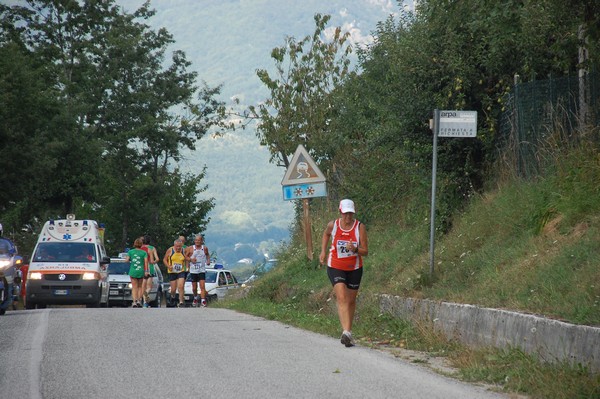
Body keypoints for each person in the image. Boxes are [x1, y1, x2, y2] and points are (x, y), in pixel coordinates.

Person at [319, 199, 368, 347]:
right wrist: (323, 252)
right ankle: (346, 332)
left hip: (354, 267)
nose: (348, 217)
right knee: (341, 297)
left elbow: (365, 251)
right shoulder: (333, 225)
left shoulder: (359, 227)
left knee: (351, 300)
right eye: (345, 213)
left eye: (350, 213)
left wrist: (355, 249)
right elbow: (326, 234)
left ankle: (349, 331)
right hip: (335, 265)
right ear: (340, 212)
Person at [185, 234, 210, 307]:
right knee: (194, 287)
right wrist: (191, 259)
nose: (197, 242)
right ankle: (195, 298)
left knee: (202, 286)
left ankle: (203, 300)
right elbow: (185, 257)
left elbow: (207, 255)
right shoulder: (190, 248)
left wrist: (208, 260)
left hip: (201, 270)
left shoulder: (204, 248)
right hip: (193, 270)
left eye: (199, 240)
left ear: (201, 241)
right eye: (196, 240)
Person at [163, 238, 188, 307]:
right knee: (173, 289)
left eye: (180, 246)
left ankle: (181, 302)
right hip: (172, 271)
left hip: (181, 271)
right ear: (174, 245)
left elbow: (186, 259)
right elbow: (164, 260)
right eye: (177, 246)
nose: (178, 248)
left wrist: (187, 267)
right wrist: (168, 266)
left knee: (181, 286)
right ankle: (173, 297)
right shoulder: (170, 250)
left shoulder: (183, 250)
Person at [125, 237, 149, 308]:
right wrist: (146, 271)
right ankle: (139, 300)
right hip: (141, 271)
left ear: (134, 244)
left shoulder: (130, 252)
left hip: (133, 271)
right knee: (140, 287)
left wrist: (129, 260)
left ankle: (134, 301)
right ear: (141, 244)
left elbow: (126, 260)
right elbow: (146, 262)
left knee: (134, 287)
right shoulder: (144, 253)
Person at [141, 235, 159, 308]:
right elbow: (157, 259)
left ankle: (144, 301)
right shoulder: (152, 248)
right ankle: (145, 299)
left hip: (142, 267)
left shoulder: (140, 248)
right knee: (149, 287)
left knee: (143, 287)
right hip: (150, 267)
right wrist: (153, 262)